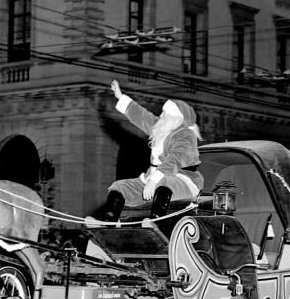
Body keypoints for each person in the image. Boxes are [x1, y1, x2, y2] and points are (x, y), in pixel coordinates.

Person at [87, 80, 203, 225]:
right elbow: (141, 116)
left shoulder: (186, 135)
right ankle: (108, 221)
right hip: (153, 178)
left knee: (164, 181)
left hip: (182, 180)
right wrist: (121, 97)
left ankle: (156, 222)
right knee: (120, 186)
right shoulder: (161, 127)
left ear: (176, 119)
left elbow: (175, 159)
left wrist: (154, 181)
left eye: (165, 114)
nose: (161, 116)